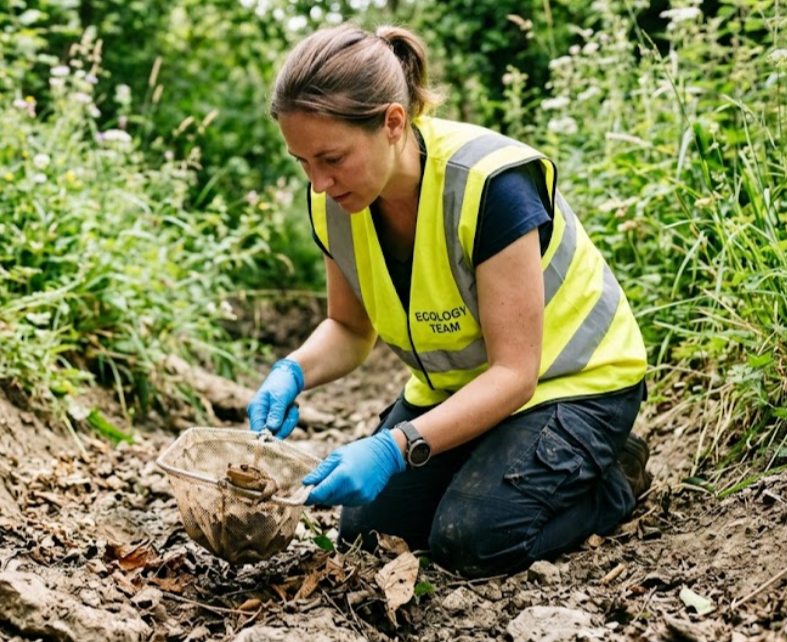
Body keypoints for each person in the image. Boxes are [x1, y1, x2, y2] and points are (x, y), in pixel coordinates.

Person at [247, 24, 651, 578]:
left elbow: (514, 374)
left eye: (331, 158)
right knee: (365, 534)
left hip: (575, 386)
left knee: (473, 541)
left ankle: (612, 477)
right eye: (303, 162)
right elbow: (348, 327)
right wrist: (291, 371)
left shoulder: (490, 183)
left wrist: (395, 447)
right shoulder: (336, 202)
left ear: (393, 122)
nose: (318, 183)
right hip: (466, 393)